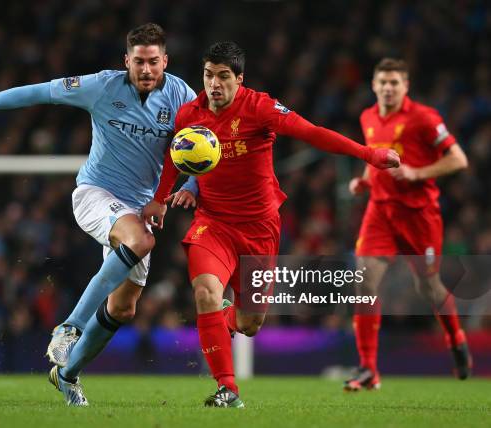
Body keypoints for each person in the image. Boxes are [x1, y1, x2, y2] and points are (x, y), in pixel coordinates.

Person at [0, 23, 196, 406]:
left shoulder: (183, 96)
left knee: (124, 307)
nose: (147, 70)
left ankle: (67, 375)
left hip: (137, 208)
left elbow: (204, 146)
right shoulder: (102, 86)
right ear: (127, 61)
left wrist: (189, 186)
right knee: (141, 239)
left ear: (165, 61)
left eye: (154, 62)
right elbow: (39, 92)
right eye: (139, 62)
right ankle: (69, 328)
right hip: (95, 194)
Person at [142, 41, 400, 408]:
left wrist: (369, 154)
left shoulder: (260, 107)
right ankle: (227, 390)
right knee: (205, 293)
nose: (214, 84)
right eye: (208, 75)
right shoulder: (190, 114)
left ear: (239, 79)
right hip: (212, 223)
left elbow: (312, 132)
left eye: (223, 76)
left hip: (259, 229)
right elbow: (174, 158)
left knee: (249, 323)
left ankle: (217, 324)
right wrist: (161, 197)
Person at [344, 58, 472, 391]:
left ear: (406, 86)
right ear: (373, 84)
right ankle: (368, 368)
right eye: (382, 82)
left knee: (428, 288)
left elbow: (459, 159)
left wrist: (418, 173)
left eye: (394, 83)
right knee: (364, 282)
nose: (387, 88)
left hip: (419, 215)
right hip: (380, 213)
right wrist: (363, 181)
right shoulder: (367, 116)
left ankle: (456, 339)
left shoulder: (424, 118)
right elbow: (375, 159)